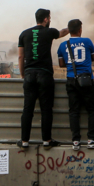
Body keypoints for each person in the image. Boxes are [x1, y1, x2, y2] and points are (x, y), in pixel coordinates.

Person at [17, 8, 69, 150]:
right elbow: (62, 33)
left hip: (29, 75)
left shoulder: (24, 34)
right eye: (49, 18)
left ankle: (24, 141)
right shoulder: (50, 31)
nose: (50, 20)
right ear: (45, 19)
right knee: (46, 109)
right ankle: (47, 140)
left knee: (28, 109)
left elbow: (21, 57)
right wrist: (71, 28)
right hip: (45, 75)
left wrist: (23, 74)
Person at [57, 19, 94, 151]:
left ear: (69, 30)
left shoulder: (62, 45)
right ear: (80, 29)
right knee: (92, 110)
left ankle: (75, 141)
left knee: (74, 111)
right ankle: (91, 139)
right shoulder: (87, 41)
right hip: (87, 80)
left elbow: (61, 64)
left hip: (71, 80)